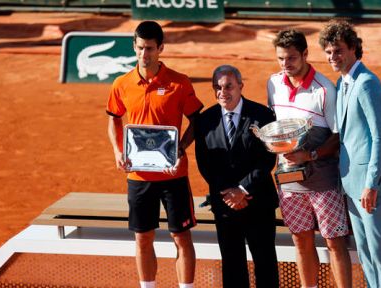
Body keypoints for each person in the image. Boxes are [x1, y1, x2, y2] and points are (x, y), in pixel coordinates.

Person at [106, 21, 203, 288]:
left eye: (150, 48)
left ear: (161, 48)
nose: (144, 54)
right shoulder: (122, 83)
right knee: (142, 237)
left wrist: (180, 148)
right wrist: (117, 151)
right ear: (134, 47)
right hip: (139, 176)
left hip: (173, 176)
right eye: (140, 48)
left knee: (181, 237)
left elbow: (197, 120)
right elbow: (114, 119)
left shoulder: (180, 83)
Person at [319, 20, 381, 288]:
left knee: (379, 252)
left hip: (369, 186)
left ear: (353, 48)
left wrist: (371, 184)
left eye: (339, 50)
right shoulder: (342, 83)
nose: (333, 57)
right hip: (351, 184)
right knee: (365, 254)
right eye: (329, 52)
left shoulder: (367, 83)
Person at [267, 29, 352, 288]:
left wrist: (311, 154)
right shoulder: (273, 83)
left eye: (291, 58)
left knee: (334, 242)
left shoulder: (324, 89)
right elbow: (275, 127)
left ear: (305, 54)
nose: (286, 64)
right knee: (300, 241)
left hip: (323, 180)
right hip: (289, 179)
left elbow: (339, 137)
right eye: (281, 59)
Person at [194, 65, 280, 288]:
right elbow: (205, 163)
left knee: (265, 263)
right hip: (225, 205)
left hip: (258, 201)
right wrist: (228, 193)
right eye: (218, 87)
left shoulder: (262, 115)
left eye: (228, 86)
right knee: (232, 265)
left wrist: (241, 190)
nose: (223, 92)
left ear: (240, 86)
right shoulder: (205, 120)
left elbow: (268, 159)